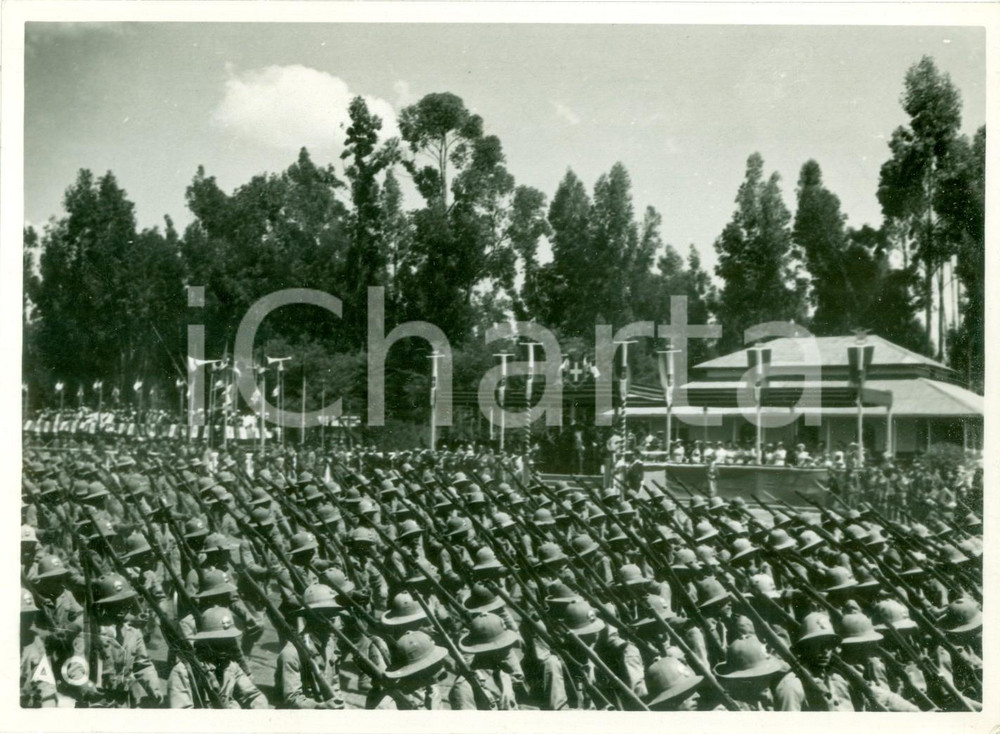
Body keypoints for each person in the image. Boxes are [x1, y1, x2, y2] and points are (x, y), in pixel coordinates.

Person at [167, 607, 269, 709]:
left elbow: (253, 695)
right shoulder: (182, 672)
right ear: (205, 641)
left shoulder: (231, 666)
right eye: (219, 641)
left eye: (229, 640)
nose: (225, 646)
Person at [273, 583, 347, 709]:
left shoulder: (330, 643)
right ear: (312, 616)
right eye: (328, 613)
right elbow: (292, 699)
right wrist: (320, 707)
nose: (334, 618)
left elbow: (334, 683)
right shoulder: (291, 653)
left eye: (334, 613)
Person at [774, 612, 853, 711]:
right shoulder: (792, 687)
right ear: (805, 647)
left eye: (829, 643)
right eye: (818, 643)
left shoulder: (836, 679)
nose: (825, 650)